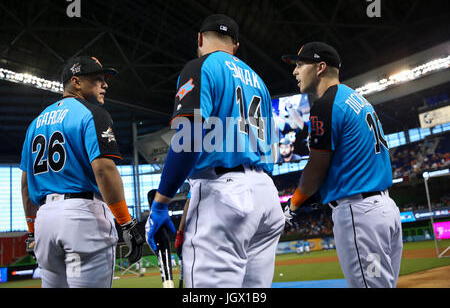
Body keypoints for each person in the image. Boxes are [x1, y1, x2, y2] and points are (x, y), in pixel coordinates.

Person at [145, 14, 284, 288]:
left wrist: (161, 203)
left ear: (199, 39)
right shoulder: (259, 82)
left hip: (226, 197)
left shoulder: (201, 66)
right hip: (266, 195)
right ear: (236, 46)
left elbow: (190, 138)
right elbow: (271, 147)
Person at [282, 42, 403, 288]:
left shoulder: (325, 105)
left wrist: (291, 208)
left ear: (320, 67)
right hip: (384, 209)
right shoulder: (356, 98)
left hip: (360, 214)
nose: (295, 71)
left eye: (300, 64)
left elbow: (316, 167)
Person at [19, 56, 143, 288]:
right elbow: (104, 171)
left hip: (45, 220)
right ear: (76, 82)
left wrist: (31, 230)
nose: (105, 85)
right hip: (82, 216)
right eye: (97, 79)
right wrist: (126, 222)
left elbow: (26, 184)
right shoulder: (93, 114)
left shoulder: (35, 123)